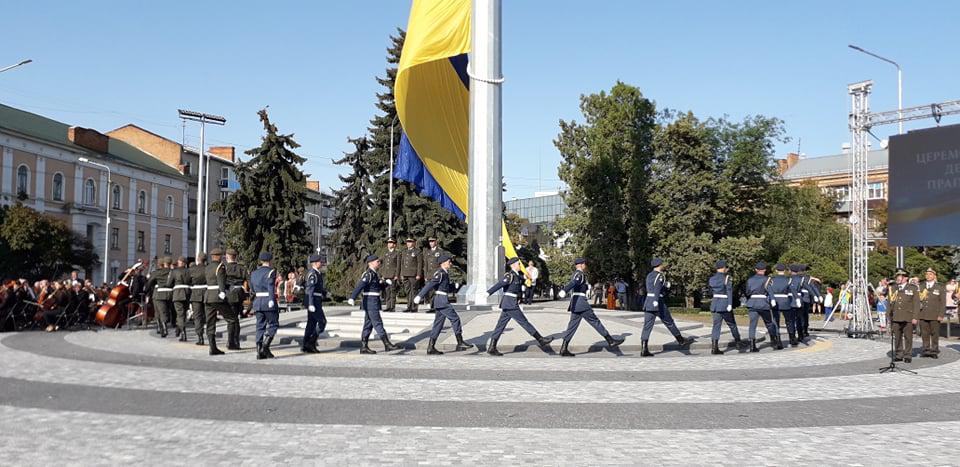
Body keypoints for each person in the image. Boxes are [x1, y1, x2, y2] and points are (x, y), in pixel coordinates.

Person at [484, 257, 554, 356]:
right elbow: (499, 284)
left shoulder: (517, 276)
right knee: (524, 322)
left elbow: (521, 283)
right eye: (518, 264)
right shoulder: (509, 276)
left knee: (500, 326)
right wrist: (488, 293)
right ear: (513, 265)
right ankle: (540, 339)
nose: (520, 266)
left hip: (510, 303)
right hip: (510, 303)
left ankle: (492, 347)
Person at [557, 258, 625, 357]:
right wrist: (564, 291)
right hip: (581, 303)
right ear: (580, 264)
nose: (585, 265)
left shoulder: (576, 274)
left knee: (572, 327)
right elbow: (573, 283)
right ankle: (610, 340)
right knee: (595, 321)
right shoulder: (579, 274)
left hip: (576, 303)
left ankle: (563, 348)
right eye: (584, 263)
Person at [415, 254, 473, 355]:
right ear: (443, 263)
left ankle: (430, 347)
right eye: (449, 261)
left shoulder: (444, 273)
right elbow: (430, 285)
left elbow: (445, 288)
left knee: (438, 324)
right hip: (442, 300)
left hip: (440, 300)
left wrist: (455, 286)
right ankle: (460, 342)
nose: (450, 263)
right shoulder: (440, 274)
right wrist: (420, 296)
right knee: (455, 319)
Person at [639, 258, 694, 357]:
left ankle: (644, 349)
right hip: (658, 302)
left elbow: (653, 287)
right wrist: (657, 299)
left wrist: (664, 286)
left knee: (647, 326)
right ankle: (680, 340)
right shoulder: (660, 276)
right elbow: (656, 289)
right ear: (659, 265)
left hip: (648, 302)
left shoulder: (649, 275)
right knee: (669, 322)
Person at [348, 254, 401, 354]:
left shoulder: (374, 274)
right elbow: (360, 285)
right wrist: (352, 297)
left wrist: (385, 283)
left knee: (368, 325)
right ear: (371, 263)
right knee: (377, 323)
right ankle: (387, 344)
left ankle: (364, 347)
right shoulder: (368, 274)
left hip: (373, 301)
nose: (379, 263)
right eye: (377, 261)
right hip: (370, 301)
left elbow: (377, 287)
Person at [745, 262, 782, 352]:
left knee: (752, 325)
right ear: (764, 270)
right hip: (763, 303)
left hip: (752, 303)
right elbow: (770, 291)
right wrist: (772, 299)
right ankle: (775, 340)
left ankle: (752, 345)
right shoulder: (767, 279)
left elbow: (747, 292)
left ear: (756, 270)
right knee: (769, 323)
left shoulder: (750, 280)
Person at [247, 252, 278, 359]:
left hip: (257, 301)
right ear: (270, 260)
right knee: (273, 324)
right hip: (267, 301)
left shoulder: (254, 273)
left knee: (260, 326)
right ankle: (265, 346)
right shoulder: (271, 272)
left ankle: (259, 351)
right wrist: (271, 299)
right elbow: (270, 286)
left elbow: (251, 288)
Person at [708, 260, 742, 354]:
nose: (727, 269)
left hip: (715, 304)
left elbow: (710, 292)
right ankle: (738, 342)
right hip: (724, 304)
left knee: (716, 326)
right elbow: (729, 291)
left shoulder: (711, 279)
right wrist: (730, 304)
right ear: (723, 268)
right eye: (726, 267)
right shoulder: (727, 278)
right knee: (732, 324)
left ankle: (714, 347)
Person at [889, 269, 920, 363]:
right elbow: (889, 303)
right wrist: (888, 315)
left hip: (908, 316)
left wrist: (915, 317)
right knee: (897, 337)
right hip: (896, 316)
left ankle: (908, 355)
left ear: (906, 278)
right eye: (897, 276)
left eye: (900, 276)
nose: (898, 278)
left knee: (908, 337)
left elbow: (916, 304)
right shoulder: (893, 288)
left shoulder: (913, 288)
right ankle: (899, 354)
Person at [203, 248, 227, 355]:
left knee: (210, 322)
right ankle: (232, 342)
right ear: (218, 256)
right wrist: (222, 292)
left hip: (208, 296)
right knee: (232, 318)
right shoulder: (220, 266)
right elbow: (221, 280)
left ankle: (212, 347)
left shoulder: (207, 267)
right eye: (221, 255)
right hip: (217, 296)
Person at [301, 254, 327, 354]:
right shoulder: (313, 273)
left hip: (316, 300)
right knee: (322, 322)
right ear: (315, 263)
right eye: (320, 261)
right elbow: (310, 289)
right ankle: (311, 343)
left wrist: (324, 293)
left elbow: (317, 288)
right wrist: (311, 303)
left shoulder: (317, 273)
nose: (322, 263)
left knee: (311, 324)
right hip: (314, 301)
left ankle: (305, 345)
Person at [918, 267, 946, 358]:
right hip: (923, 314)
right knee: (924, 333)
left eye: (930, 274)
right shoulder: (921, 286)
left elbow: (942, 302)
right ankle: (926, 350)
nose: (928, 276)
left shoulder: (940, 287)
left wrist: (941, 315)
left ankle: (934, 351)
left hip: (935, 314)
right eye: (927, 274)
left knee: (935, 333)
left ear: (934, 276)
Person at [768, 263, 798, 347]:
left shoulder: (771, 279)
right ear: (784, 270)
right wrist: (797, 299)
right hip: (785, 302)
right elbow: (793, 290)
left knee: (775, 322)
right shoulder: (788, 279)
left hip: (775, 302)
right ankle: (792, 339)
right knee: (789, 321)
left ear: (776, 270)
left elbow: (768, 290)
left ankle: (778, 341)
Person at [223, 249, 246, 350]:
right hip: (239, 294)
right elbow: (248, 279)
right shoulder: (241, 268)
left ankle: (230, 341)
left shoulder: (224, 267)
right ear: (235, 257)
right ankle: (236, 341)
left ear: (227, 256)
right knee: (236, 318)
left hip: (229, 294)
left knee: (231, 320)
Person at [146, 257, 172, 338]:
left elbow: (150, 283)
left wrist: (146, 289)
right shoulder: (171, 272)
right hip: (170, 293)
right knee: (165, 311)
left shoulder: (157, 272)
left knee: (159, 311)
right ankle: (160, 327)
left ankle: (163, 328)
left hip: (158, 293)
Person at [421, 236, 446, 313]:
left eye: (432, 241)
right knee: (430, 292)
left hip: (436, 275)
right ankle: (432, 306)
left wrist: (439, 273)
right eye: (430, 242)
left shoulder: (440, 252)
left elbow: (442, 263)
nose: (431, 243)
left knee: (436, 292)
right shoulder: (427, 252)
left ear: (436, 242)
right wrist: (425, 275)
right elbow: (425, 265)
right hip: (429, 275)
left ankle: (435, 307)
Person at [169, 257, 191, 342]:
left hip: (178, 294)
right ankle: (179, 329)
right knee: (183, 314)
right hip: (187, 293)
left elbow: (169, 283)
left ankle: (183, 333)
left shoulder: (174, 271)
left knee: (180, 314)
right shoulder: (189, 271)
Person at [400, 238, 423, 313]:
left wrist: (418, 274)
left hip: (413, 274)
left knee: (414, 291)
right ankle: (409, 306)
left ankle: (414, 307)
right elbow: (402, 263)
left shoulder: (417, 251)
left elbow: (419, 263)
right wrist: (402, 273)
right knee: (408, 291)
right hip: (405, 274)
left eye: (410, 242)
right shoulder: (404, 251)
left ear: (414, 243)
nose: (408, 243)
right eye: (407, 242)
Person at [189, 253, 207, 346]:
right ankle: (209, 334)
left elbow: (188, 280)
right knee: (206, 315)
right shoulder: (208, 268)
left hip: (195, 294)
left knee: (197, 316)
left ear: (197, 259)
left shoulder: (192, 269)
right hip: (206, 293)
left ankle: (200, 336)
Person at [381, 238, 401, 312]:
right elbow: (384, 266)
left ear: (394, 245)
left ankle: (392, 306)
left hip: (393, 275)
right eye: (388, 243)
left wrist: (397, 275)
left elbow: (398, 265)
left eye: (391, 243)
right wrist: (383, 275)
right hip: (386, 275)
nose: (389, 244)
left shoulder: (397, 253)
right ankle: (388, 306)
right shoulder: (386, 253)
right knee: (387, 291)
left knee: (392, 291)